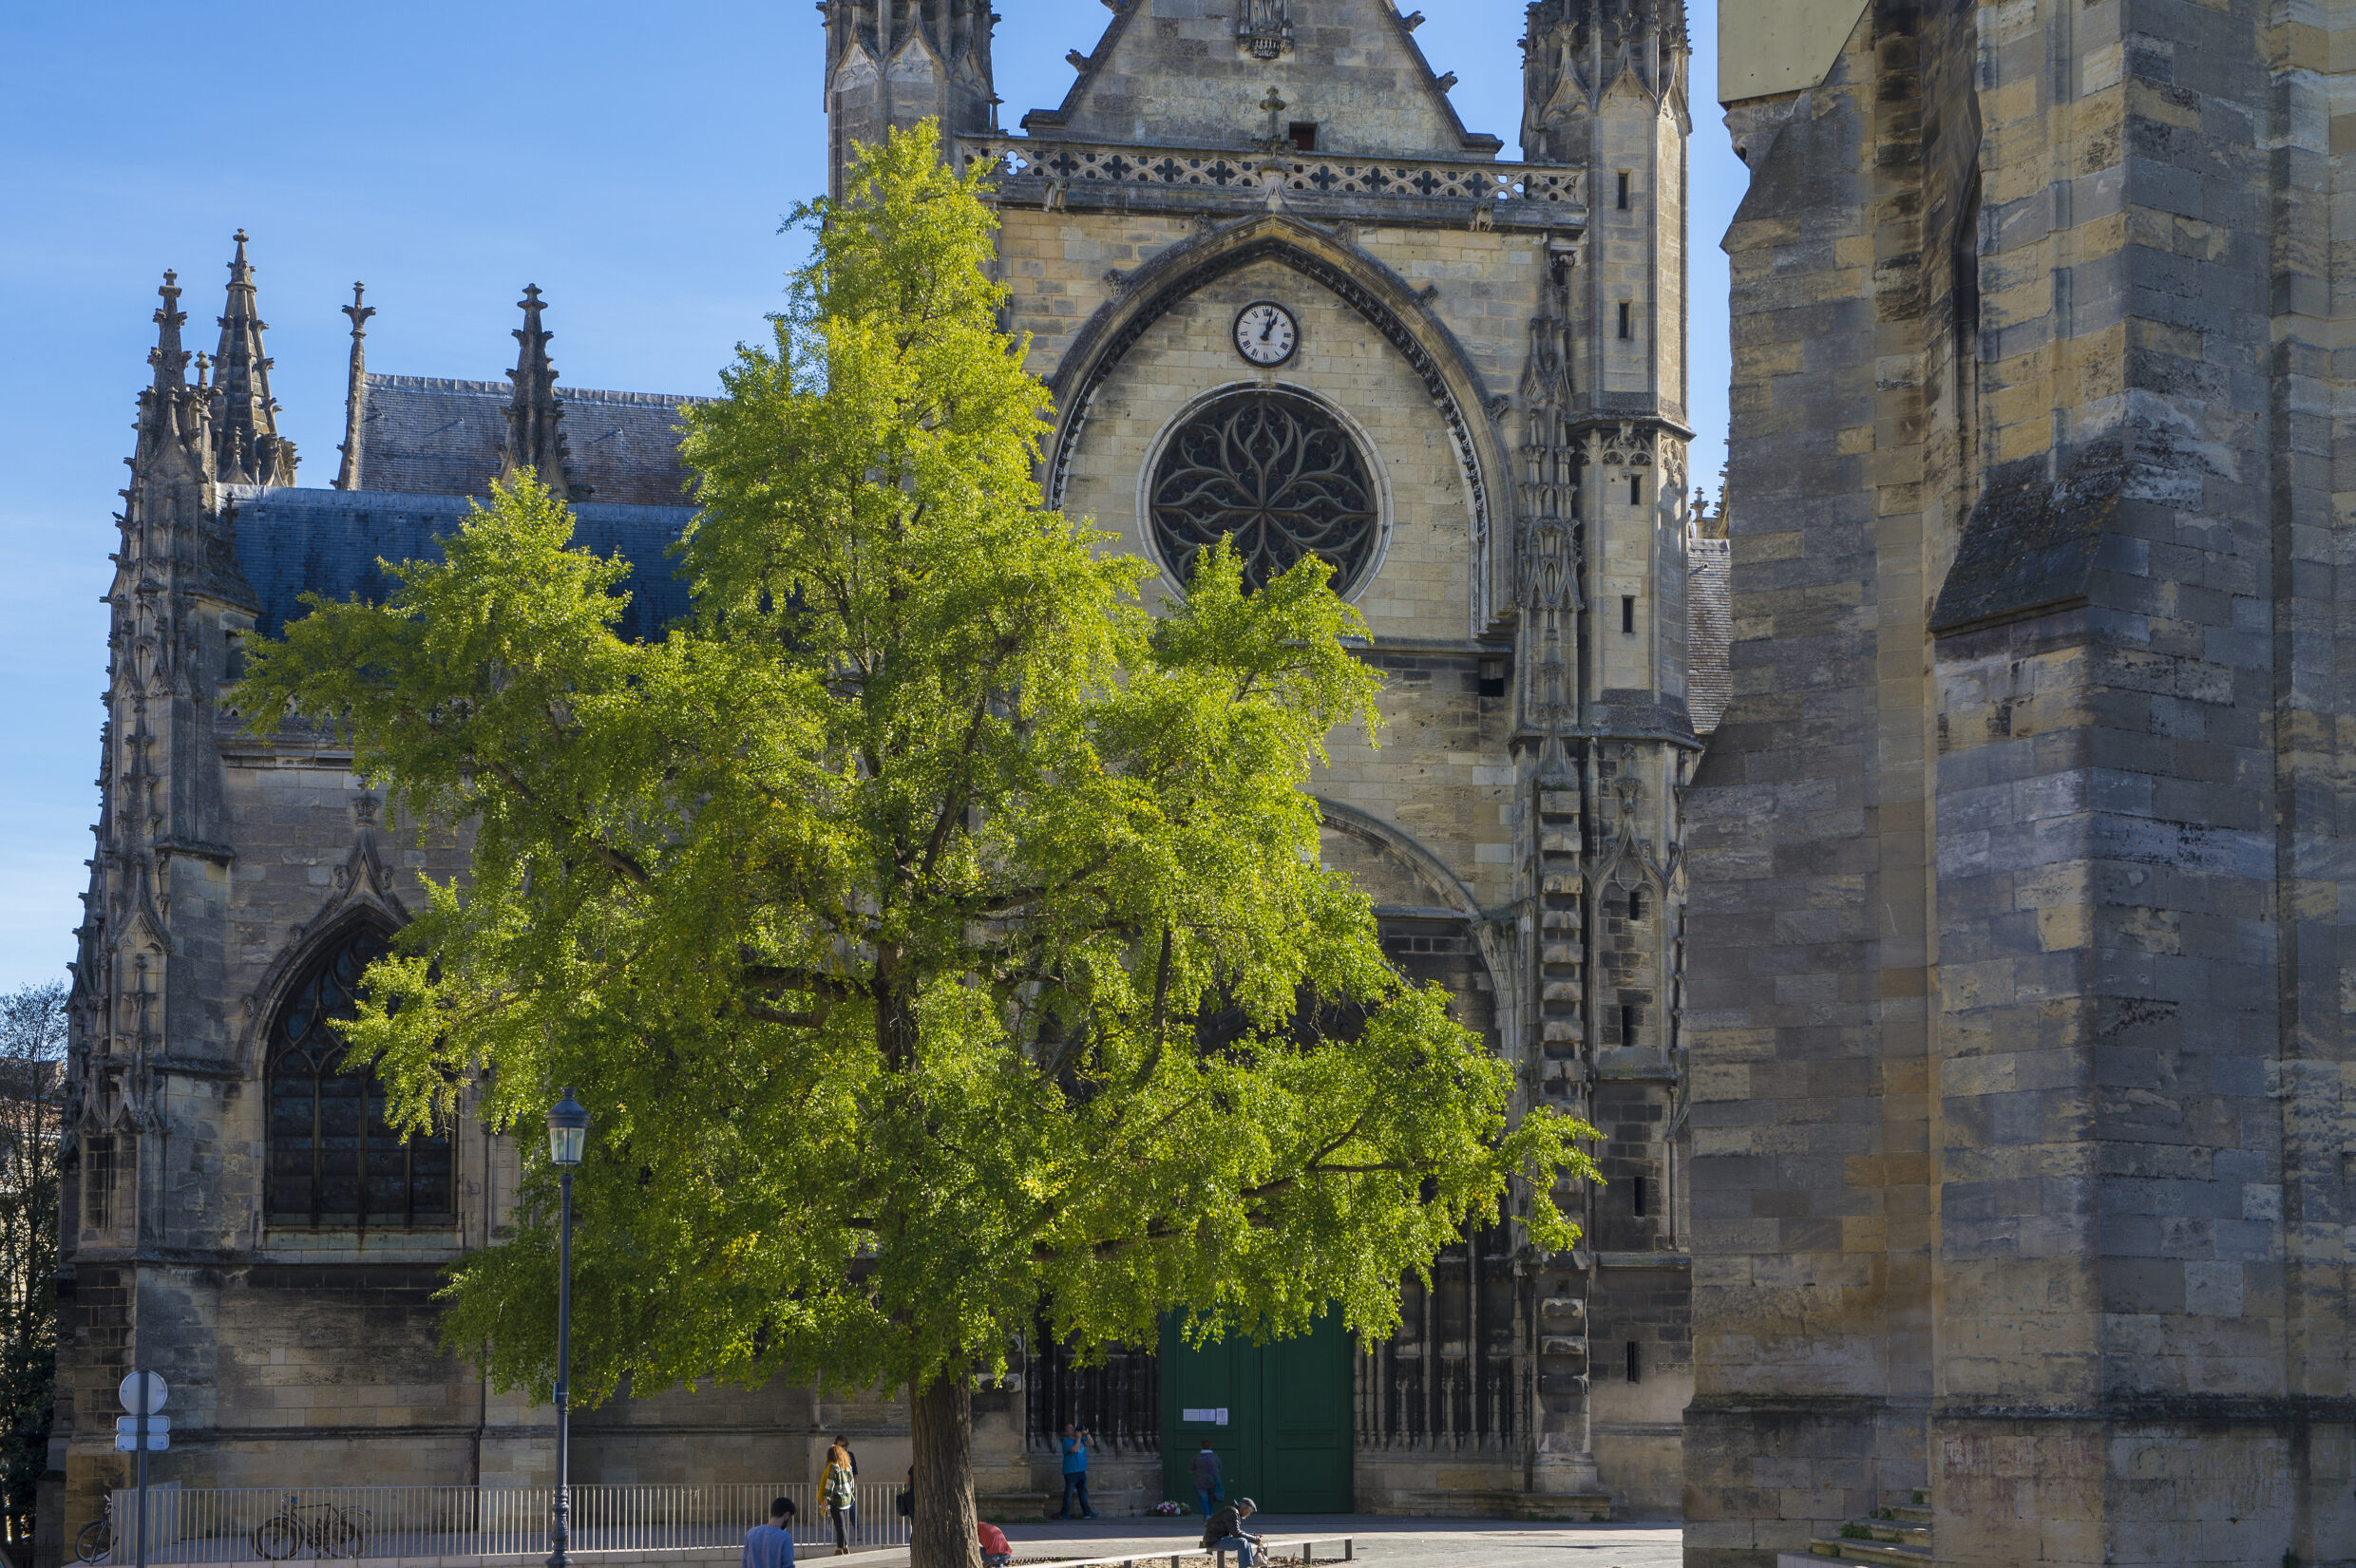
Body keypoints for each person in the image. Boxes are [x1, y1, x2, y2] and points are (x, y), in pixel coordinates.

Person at [1201, 1498, 1262, 1568]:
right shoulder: (1232, 1512)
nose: (1248, 1515)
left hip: (1219, 1538)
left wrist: (1253, 1536)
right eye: (1249, 1512)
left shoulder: (1233, 1511)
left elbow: (1236, 1531)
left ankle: (1248, 1566)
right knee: (1242, 1542)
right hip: (1213, 1541)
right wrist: (1254, 1539)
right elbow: (1236, 1533)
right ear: (1244, 1508)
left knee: (1245, 1541)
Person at [1054, 1423, 1098, 1520]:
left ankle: (1087, 1512)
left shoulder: (1081, 1439)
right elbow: (1074, 1450)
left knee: (1083, 1493)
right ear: (1066, 1432)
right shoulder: (1066, 1441)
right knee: (1069, 1493)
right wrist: (1078, 1438)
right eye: (1069, 1428)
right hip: (1071, 1471)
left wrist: (1086, 1434)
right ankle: (1064, 1513)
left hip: (1081, 1470)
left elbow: (1091, 1443)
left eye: (1073, 1427)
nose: (1073, 1429)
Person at [823, 1440, 858, 1556]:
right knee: (842, 1523)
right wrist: (850, 1494)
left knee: (839, 1525)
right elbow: (852, 1482)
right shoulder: (847, 1466)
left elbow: (830, 1484)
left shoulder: (833, 1467)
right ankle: (846, 1546)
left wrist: (825, 1499)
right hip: (847, 1499)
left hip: (837, 1499)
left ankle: (839, 1548)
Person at [742, 1497, 798, 1568]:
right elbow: (788, 1565)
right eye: (790, 1518)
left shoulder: (750, 1533)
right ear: (786, 1515)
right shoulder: (785, 1537)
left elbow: (744, 1562)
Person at [1188, 1444, 1224, 1519]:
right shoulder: (1215, 1456)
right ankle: (1209, 1515)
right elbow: (1220, 1467)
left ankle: (1207, 1515)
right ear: (1210, 1447)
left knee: (1203, 1500)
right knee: (1211, 1500)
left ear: (1201, 1447)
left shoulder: (1197, 1457)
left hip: (1200, 1482)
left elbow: (1191, 1469)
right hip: (1213, 1481)